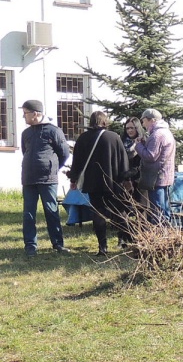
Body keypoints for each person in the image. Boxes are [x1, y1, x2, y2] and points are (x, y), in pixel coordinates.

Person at [69, 111, 131, 255]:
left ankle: (102, 247)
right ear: (105, 121)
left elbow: (76, 161)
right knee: (120, 211)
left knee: (98, 213)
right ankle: (124, 241)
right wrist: (126, 179)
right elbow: (123, 160)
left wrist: (73, 179)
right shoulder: (114, 137)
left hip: (93, 183)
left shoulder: (83, 138)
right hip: (114, 182)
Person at [20, 100, 71, 256]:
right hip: (29, 178)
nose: (23, 117)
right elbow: (25, 152)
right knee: (29, 213)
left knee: (51, 211)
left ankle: (58, 244)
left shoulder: (53, 131)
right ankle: (30, 245)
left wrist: (52, 167)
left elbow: (64, 153)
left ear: (35, 114)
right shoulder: (26, 133)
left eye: (25, 113)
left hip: (48, 178)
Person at [134, 108, 176, 223]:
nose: (142, 124)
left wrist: (138, 146)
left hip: (156, 178)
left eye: (143, 121)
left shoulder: (157, 135)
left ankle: (159, 235)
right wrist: (144, 144)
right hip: (165, 176)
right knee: (165, 209)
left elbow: (150, 156)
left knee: (157, 210)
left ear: (151, 120)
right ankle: (168, 233)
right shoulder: (166, 132)